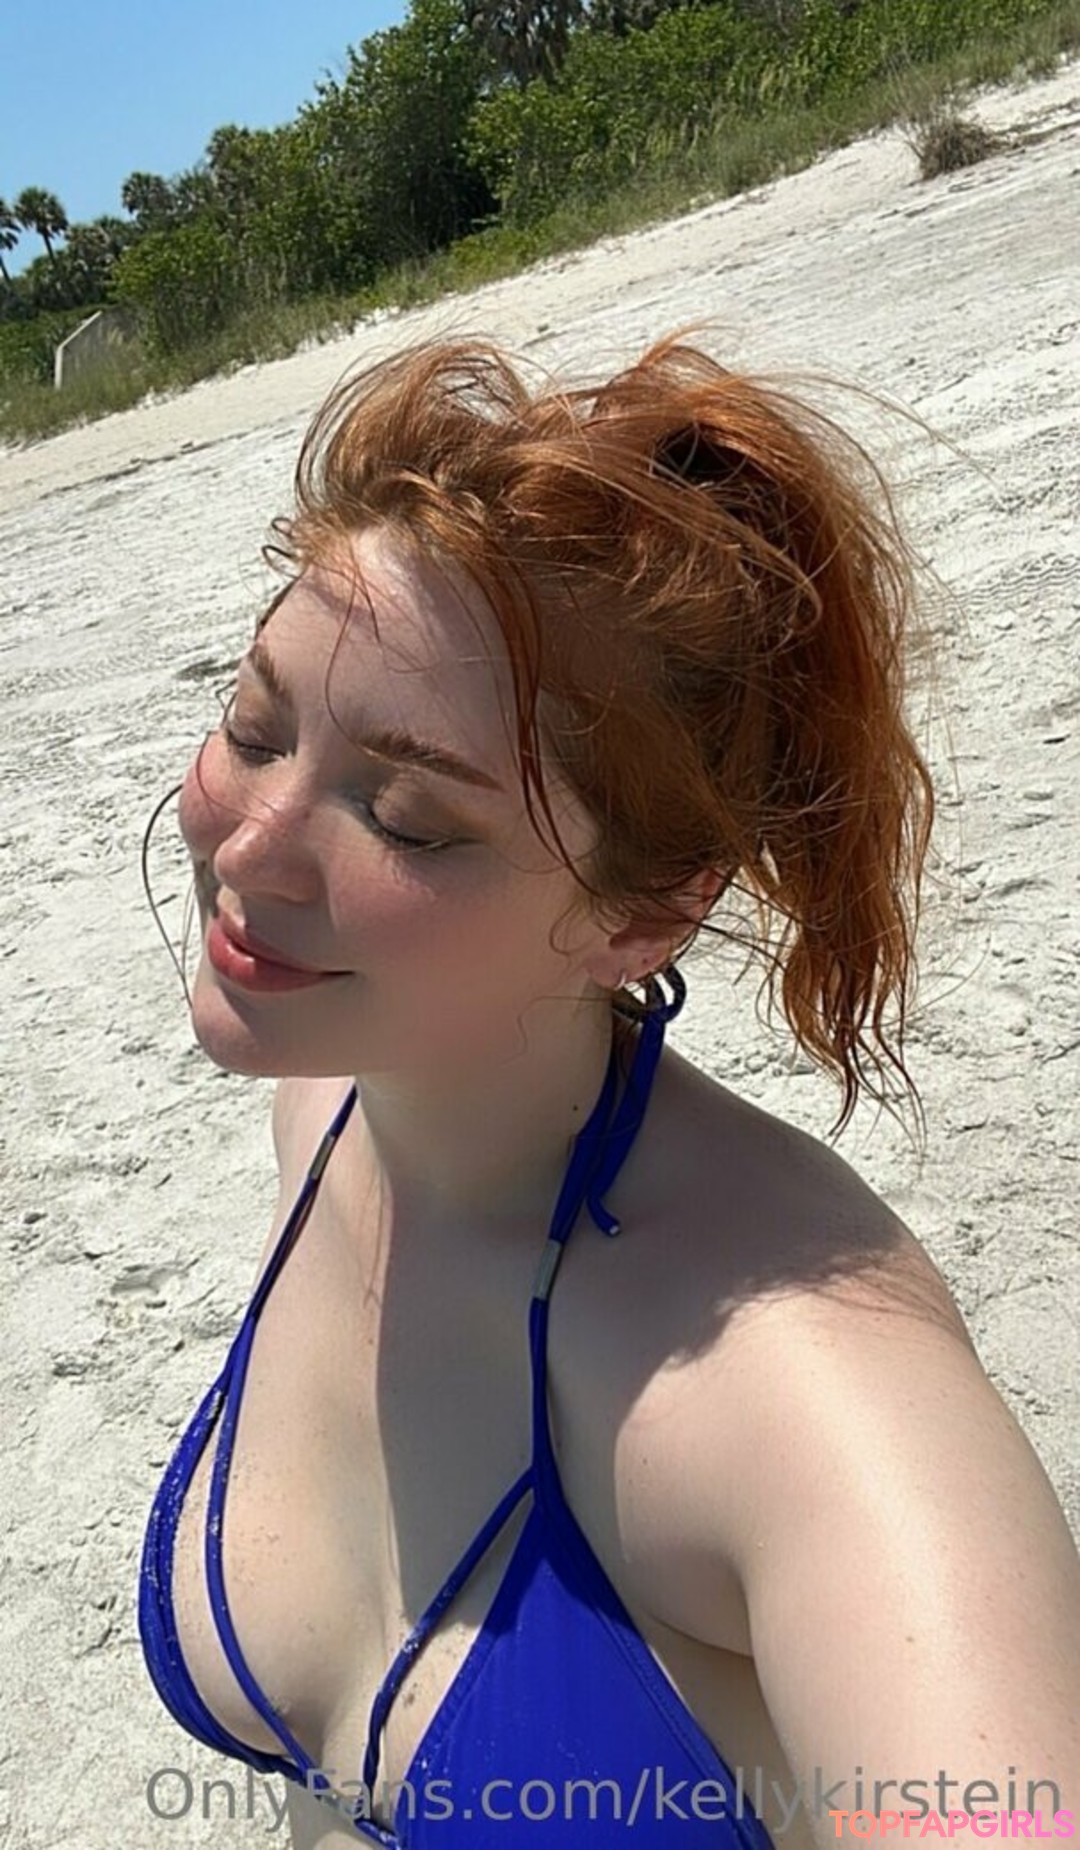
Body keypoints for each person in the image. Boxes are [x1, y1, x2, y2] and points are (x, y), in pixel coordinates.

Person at [137, 328, 1080, 1850]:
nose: (246, 845)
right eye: (255, 728)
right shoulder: (331, 1111)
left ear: (644, 916)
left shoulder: (814, 1400)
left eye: (408, 818)